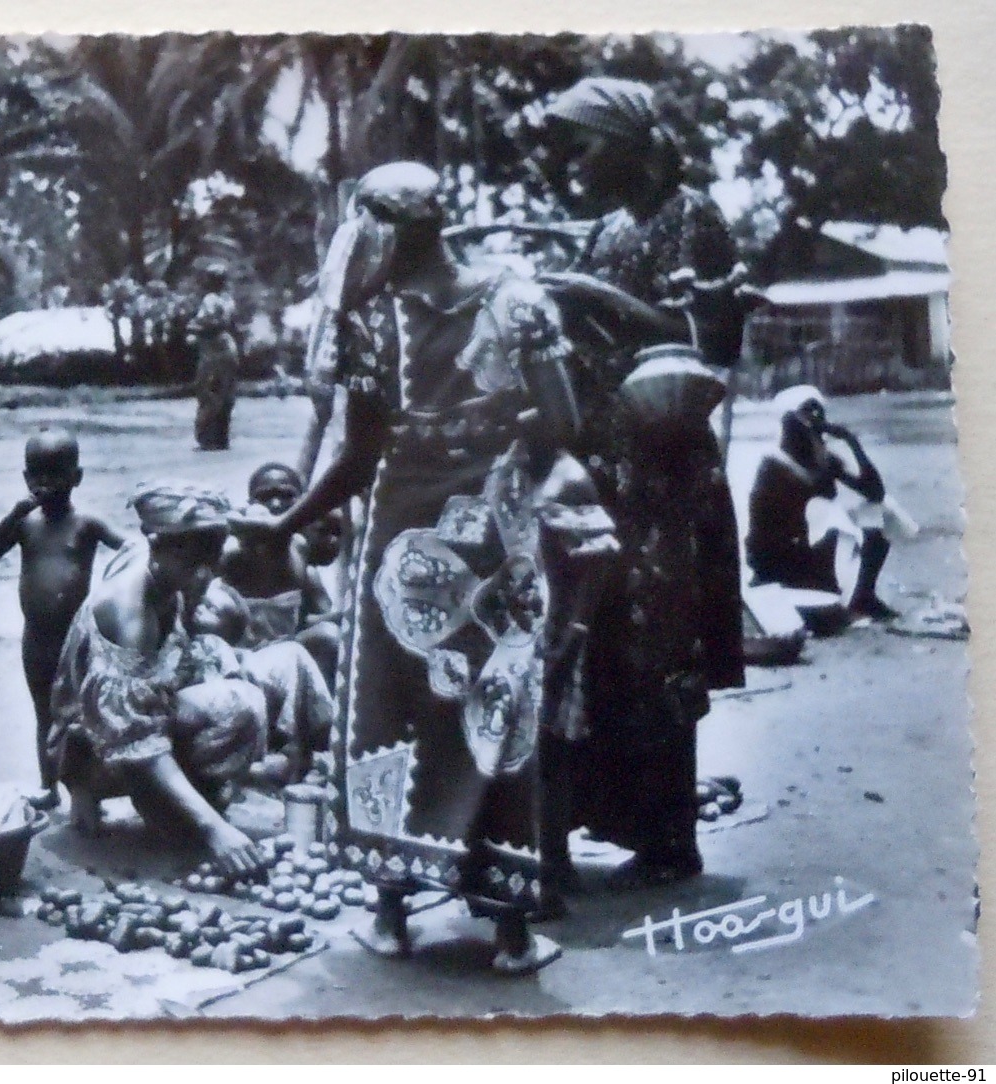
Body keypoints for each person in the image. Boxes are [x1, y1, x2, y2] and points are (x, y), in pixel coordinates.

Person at [234, 162, 610, 975]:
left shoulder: (372, 320)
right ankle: (510, 936)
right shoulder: (517, 301)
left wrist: (285, 522)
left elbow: (358, 457)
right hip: (495, 550)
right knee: (494, 726)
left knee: (388, 721)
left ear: (382, 230)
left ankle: (394, 917)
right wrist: (493, 471)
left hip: (401, 561)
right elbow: (562, 423)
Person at [536, 76, 748, 890]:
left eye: (584, 144)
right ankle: (619, 819)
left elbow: (711, 339)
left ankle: (668, 838)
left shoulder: (692, 217)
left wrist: (596, 296)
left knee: (658, 646)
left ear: (628, 144)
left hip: (663, 467)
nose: (573, 163)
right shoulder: (604, 230)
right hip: (608, 467)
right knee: (608, 643)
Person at [47, 483, 332, 875]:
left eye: (212, 561)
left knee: (289, 659)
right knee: (238, 703)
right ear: (162, 547)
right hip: (100, 743)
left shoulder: (163, 564)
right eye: (197, 562)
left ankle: (324, 782)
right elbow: (135, 738)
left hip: (159, 697)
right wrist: (214, 830)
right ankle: (180, 815)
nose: (207, 574)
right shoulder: (128, 610)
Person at [0, 429, 125, 810]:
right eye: (38, 475)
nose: (47, 485)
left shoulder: (86, 524)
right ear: (26, 479)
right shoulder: (26, 524)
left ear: (77, 478)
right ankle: (48, 785)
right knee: (44, 712)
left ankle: (85, 791)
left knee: (83, 715)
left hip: (77, 638)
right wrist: (13, 514)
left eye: (57, 475)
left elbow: (128, 548)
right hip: (37, 639)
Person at [745, 386, 903, 620]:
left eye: (818, 413)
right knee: (826, 512)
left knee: (884, 511)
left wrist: (852, 442)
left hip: (810, 546)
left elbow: (875, 492)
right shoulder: (773, 464)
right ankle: (830, 594)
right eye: (807, 413)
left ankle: (863, 596)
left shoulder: (824, 460)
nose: (816, 421)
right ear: (789, 421)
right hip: (780, 555)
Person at [219, 462, 338, 680]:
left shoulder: (300, 549)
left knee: (329, 636)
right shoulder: (231, 554)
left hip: (288, 649)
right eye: (264, 497)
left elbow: (312, 619)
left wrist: (350, 614)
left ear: (303, 502)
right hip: (239, 656)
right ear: (250, 504)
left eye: (286, 495)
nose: (275, 504)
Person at [190, 265, 240, 451]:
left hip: (213, 351)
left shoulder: (210, 300)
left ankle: (206, 437)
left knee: (207, 392)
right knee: (225, 394)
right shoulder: (228, 300)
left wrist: (191, 327)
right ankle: (221, 437)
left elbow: (209, 324)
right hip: (229, 349)